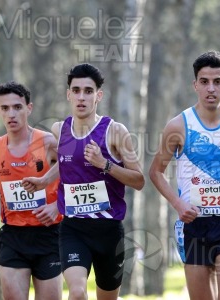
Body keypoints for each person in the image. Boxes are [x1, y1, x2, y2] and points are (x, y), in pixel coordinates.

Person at [149, 50, 220, 300]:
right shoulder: (178, 126)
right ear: (195, 85)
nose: (211, 88)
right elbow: (156, 172)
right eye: (204, 82)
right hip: (193, 224)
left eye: (217, 81)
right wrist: (178, 203)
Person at [22, 63, 145, 300]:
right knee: (77, 293)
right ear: (68, 94)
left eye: (88, 91)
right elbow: (67, 163)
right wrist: (43, 180)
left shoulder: (115, 132)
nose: (81, 97)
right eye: (76, 90)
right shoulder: (60, 130)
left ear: (98, 95)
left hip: (109, 230)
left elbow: (138, 180)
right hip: (73, 228)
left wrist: (105, 164)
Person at [0, 81, 64, 300]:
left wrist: (56, 205)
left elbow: (74, 178)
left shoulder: (49, 143)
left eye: (17, 107)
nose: (11, 114)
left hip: (48, 234)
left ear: (29, 108)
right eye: (5, 108)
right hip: (13, 236)